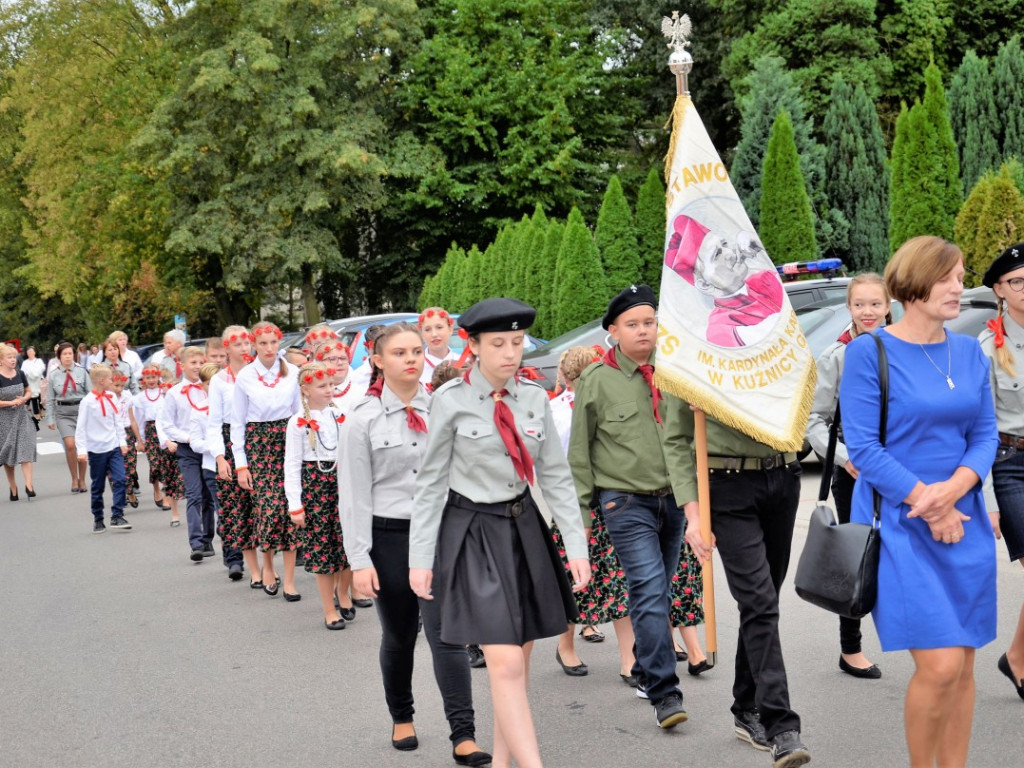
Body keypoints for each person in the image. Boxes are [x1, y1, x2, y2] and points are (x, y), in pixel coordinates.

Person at [410, 298, 590, 768]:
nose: (511, 353)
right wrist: (420, 558)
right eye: (498, 343)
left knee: (520, 665)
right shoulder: (449, 401)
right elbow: (429, 485)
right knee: (505, 664)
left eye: (516, 342)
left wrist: (576, 545)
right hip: (472, 532)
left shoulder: (533, 397)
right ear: (472, 345)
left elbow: (555, 475)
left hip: (524, 528)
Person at [840, 236, 997, 767]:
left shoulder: (971, 350)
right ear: (913, 283)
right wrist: (932, 503)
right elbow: (863, 447)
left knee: (965, 668)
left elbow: (985, 435)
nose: (960, 286)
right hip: (901, 525)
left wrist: (955, 493)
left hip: (964, 519)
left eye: (961, 275)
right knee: (939, 668)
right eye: (948, 277)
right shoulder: (869, 352)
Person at [340, 323, 490, 764]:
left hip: (439, 533)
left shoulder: (444, 409)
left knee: (446, 636)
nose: (411, 359)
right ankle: (402, 716)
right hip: (388, 537)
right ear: (378, 360)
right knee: (400, 635)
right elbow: (353, 496)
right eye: (400, 352)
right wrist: (359, 560)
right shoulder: (361, 419)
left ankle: (463, 734)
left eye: (418, 351)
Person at [662, 342, 809, 760]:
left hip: (782, 475)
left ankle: (746, 706)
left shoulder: (770, 335)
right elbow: (675, 440)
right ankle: (782, 725)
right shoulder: (686, 342)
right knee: (760, 600)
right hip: (724, 484)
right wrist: (693, 513)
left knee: (762, 601)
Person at [568, 285, 688, 729]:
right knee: (650, 590)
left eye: (649, 322)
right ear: (613, 331)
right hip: (625, 502)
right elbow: (579, 454)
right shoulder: (596, 381)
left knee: (661, 589)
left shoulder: (675, 374)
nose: (643, 331)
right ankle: (665, 692)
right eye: (633, 324)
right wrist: (579, 518)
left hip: (674, 500)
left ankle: (642, 667)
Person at [805, 273, 891, 680]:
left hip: (900, 470)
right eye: (860, 304)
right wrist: (843, 458)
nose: (868, 311)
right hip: (856, 472)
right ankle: (851, 648)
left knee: (903, 552)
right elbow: (815, 420)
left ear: (889, 305)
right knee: (855, 557)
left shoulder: (905, 347)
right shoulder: (835, 357)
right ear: (849, 307)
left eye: (876, 304)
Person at [550, 345, 637, 681]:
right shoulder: (557, 411)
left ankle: (628, 659)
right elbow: (554, 463)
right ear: (571, 380)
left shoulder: (611, 402)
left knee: (620, 577)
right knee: (573, 578)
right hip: (574, 504)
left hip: (613, 498)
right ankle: (566, 645)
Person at [978, 242, 1024, 701]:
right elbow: (980, 428)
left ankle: (1016, 658)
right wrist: (987, 499)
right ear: (999, 290)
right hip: (1009, 465)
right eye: (1017, 281)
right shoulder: (986, 347)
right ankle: (1016, 658)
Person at [231, 321, 301, 599]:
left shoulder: (292, 372)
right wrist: (240, 462)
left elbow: (299, 412)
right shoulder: (246, 376)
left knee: (291, 508)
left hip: (288, 437)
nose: (270, 348)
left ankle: (291, 580)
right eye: (263, 343)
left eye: (273, 342)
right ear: (254, 345)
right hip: (259, 443)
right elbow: (237, 422)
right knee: (268, 509)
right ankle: (268, 566)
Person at [284, 361, 347, 617]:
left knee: (347, 542)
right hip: (315, 486)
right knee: (323, 548)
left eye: (331, 384)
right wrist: (295, 504)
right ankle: (328, 608)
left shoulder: (341, 415)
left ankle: (344, 593)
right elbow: (292, 464)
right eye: (322, 386)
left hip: (343, 482)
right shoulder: (297, 422)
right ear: (306, 390)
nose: (329, 390)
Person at [209, 326, 261, 586]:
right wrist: (220, 457)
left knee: (265, 506)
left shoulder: (261, 374)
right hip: (231, 443)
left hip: (259, 440)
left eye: (247, 342)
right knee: (239, 509)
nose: (244, 348)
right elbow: (214, 423)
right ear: (226, 348)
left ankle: (272, 565)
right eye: (237, 343)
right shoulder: (220, 381)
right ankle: (254, 570)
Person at [159, 346, 219, 563]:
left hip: (210, 448)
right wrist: (187, 439)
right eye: (192, 363)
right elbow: (167, 424)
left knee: (209, 495)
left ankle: (207, 538)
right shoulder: (175, 393)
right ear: (182, 366)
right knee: (193, 493)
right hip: (188, 450)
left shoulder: (211, 388)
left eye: (199, 362)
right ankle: (195, 543)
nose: (197, 366)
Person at [189, 362, 244, 580]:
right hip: (213, 467)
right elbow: (195, 442)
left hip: (239, 463)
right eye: (209, 384)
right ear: (203, 386)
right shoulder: (200, 409)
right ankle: (233, 558)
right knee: (226, 514)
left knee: (245, 513)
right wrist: (216, 448)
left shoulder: (235, 405)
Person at [75, 363, 131, 534]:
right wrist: (82, 450)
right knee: (98, 485)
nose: (112, 381)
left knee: (120, 479)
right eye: (109, 378)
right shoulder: (87, 402)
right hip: (96, 449)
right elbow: (81, 428)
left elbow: (118, 421)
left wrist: (122, 441)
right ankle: (98, 518)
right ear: (101, 380)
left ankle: (117, 514)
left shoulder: (112, 397)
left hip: (113, 445)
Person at [132, 364, 181, 524]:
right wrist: (140, 439)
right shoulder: (140, 398)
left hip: (166, 430)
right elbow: (139, 420)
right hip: (150, 431)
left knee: (167, 464)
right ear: (143, 379)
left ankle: (167, 495)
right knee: (155, 465)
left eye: (154, 377)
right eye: (148, 378)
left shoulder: (165, 393)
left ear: (158, 377)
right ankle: (156, 489)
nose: (151, 380)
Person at [46, 341, 88, 493]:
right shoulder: (54, 374)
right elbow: (50, 399)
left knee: (81, 446)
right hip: (63, 413)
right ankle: (74, 479)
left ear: (74, 355)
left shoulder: (81, 371)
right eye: (65, 354)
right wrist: (50, 418)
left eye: (70, 353)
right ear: (59, 357)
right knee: (70, 445)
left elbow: (90, 394)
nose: (68, 356)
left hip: (81, 411)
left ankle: (82, 479)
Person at [0, 343, 36, 500]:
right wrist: (9, 403)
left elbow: (29, 391)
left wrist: (24, 399)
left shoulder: (20, 374)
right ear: (1, 360)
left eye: (14, 357)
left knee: (25, 449)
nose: (13, 360)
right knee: (8, 454)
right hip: (4, 419)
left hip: (21, 416)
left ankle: (29, 485)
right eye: (9, 357)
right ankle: (13, 487)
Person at [108, 372, 140, 509]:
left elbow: (132, 419)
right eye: (116, 385)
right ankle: (119, 497)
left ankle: (130, 490)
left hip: (127, 433)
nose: (119, 389)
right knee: (114, 469)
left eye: (122, 385)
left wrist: (139, 439)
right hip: (112, 434)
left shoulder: (127, 396)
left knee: (130, 467)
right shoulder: (106, 398)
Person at [418, 307, 460, 388]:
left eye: (439, 327)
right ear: (422, 334)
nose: (434, 334)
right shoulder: (417, 367)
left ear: (450, 329)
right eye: (427, 329)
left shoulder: (464, 363)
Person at [20, 346, 45, 430]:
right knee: (33, 397)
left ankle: (40, 410)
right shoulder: (25, 362)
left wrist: (32, 373)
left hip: (38, 381)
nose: (30, 353)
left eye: (31, 351)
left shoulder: (39, 361)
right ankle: (36, 414)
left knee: (40, 397)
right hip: (29, 382)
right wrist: (30, 373)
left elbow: (39, 371)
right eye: (28, 351)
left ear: (34, 352)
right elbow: (23, 371)